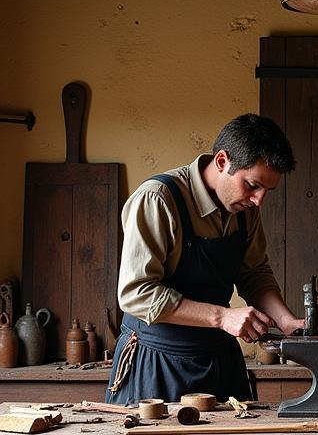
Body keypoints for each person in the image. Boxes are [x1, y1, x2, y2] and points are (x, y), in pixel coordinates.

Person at [105, 113, 303, 405]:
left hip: (218, 361)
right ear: (222, 162)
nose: (259, 200)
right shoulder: (158, 200)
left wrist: (287, 321)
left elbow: (254, 273)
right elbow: (136, 293)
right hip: (157, 363)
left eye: (267, 191)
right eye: (252, 185)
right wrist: (223, 317)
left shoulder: (246, 208)